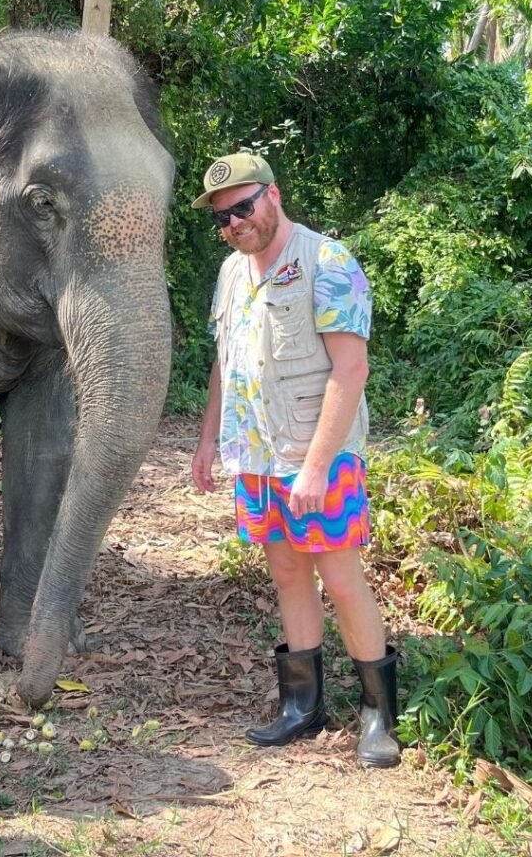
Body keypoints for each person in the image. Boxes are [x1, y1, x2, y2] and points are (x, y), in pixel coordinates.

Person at [189, 151, 399, 769]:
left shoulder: (326, 261)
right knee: (286, 573)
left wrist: (314, 466)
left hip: (318, 456)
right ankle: (302, 707)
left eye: (244, 206)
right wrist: (208, 441)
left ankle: (378, 715)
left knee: (339, 575)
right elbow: (224, 364)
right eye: (223, 217)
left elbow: (351, 369)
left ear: (273, 196)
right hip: (255, 456)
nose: (235, 222)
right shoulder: (231, 273)